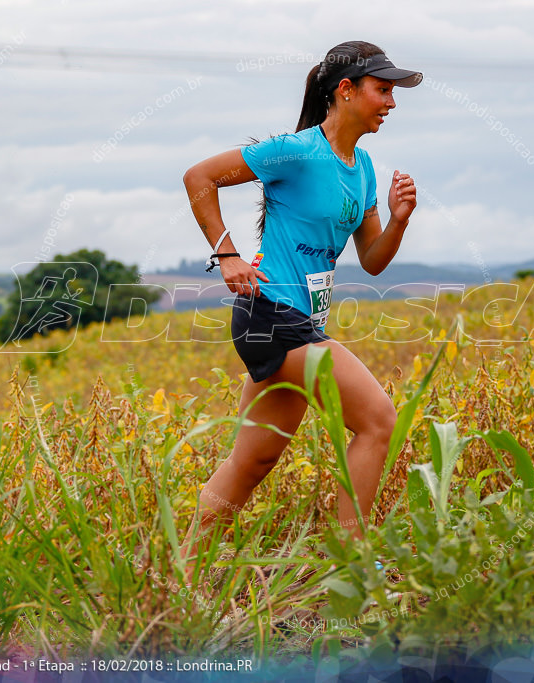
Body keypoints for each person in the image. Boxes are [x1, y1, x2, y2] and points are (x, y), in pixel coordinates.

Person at [179, 40, 421, 575]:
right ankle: (351, 568)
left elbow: (373, 261)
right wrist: (227, 254)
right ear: (346, 90)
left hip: (296, 321)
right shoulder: (296, 151)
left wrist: (399, 219)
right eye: (383, 90)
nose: (392, 102)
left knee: (253, 460)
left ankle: (177, 576)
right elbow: (199, 177)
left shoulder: (362, 170)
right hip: (270, 313)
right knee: (378, 421)